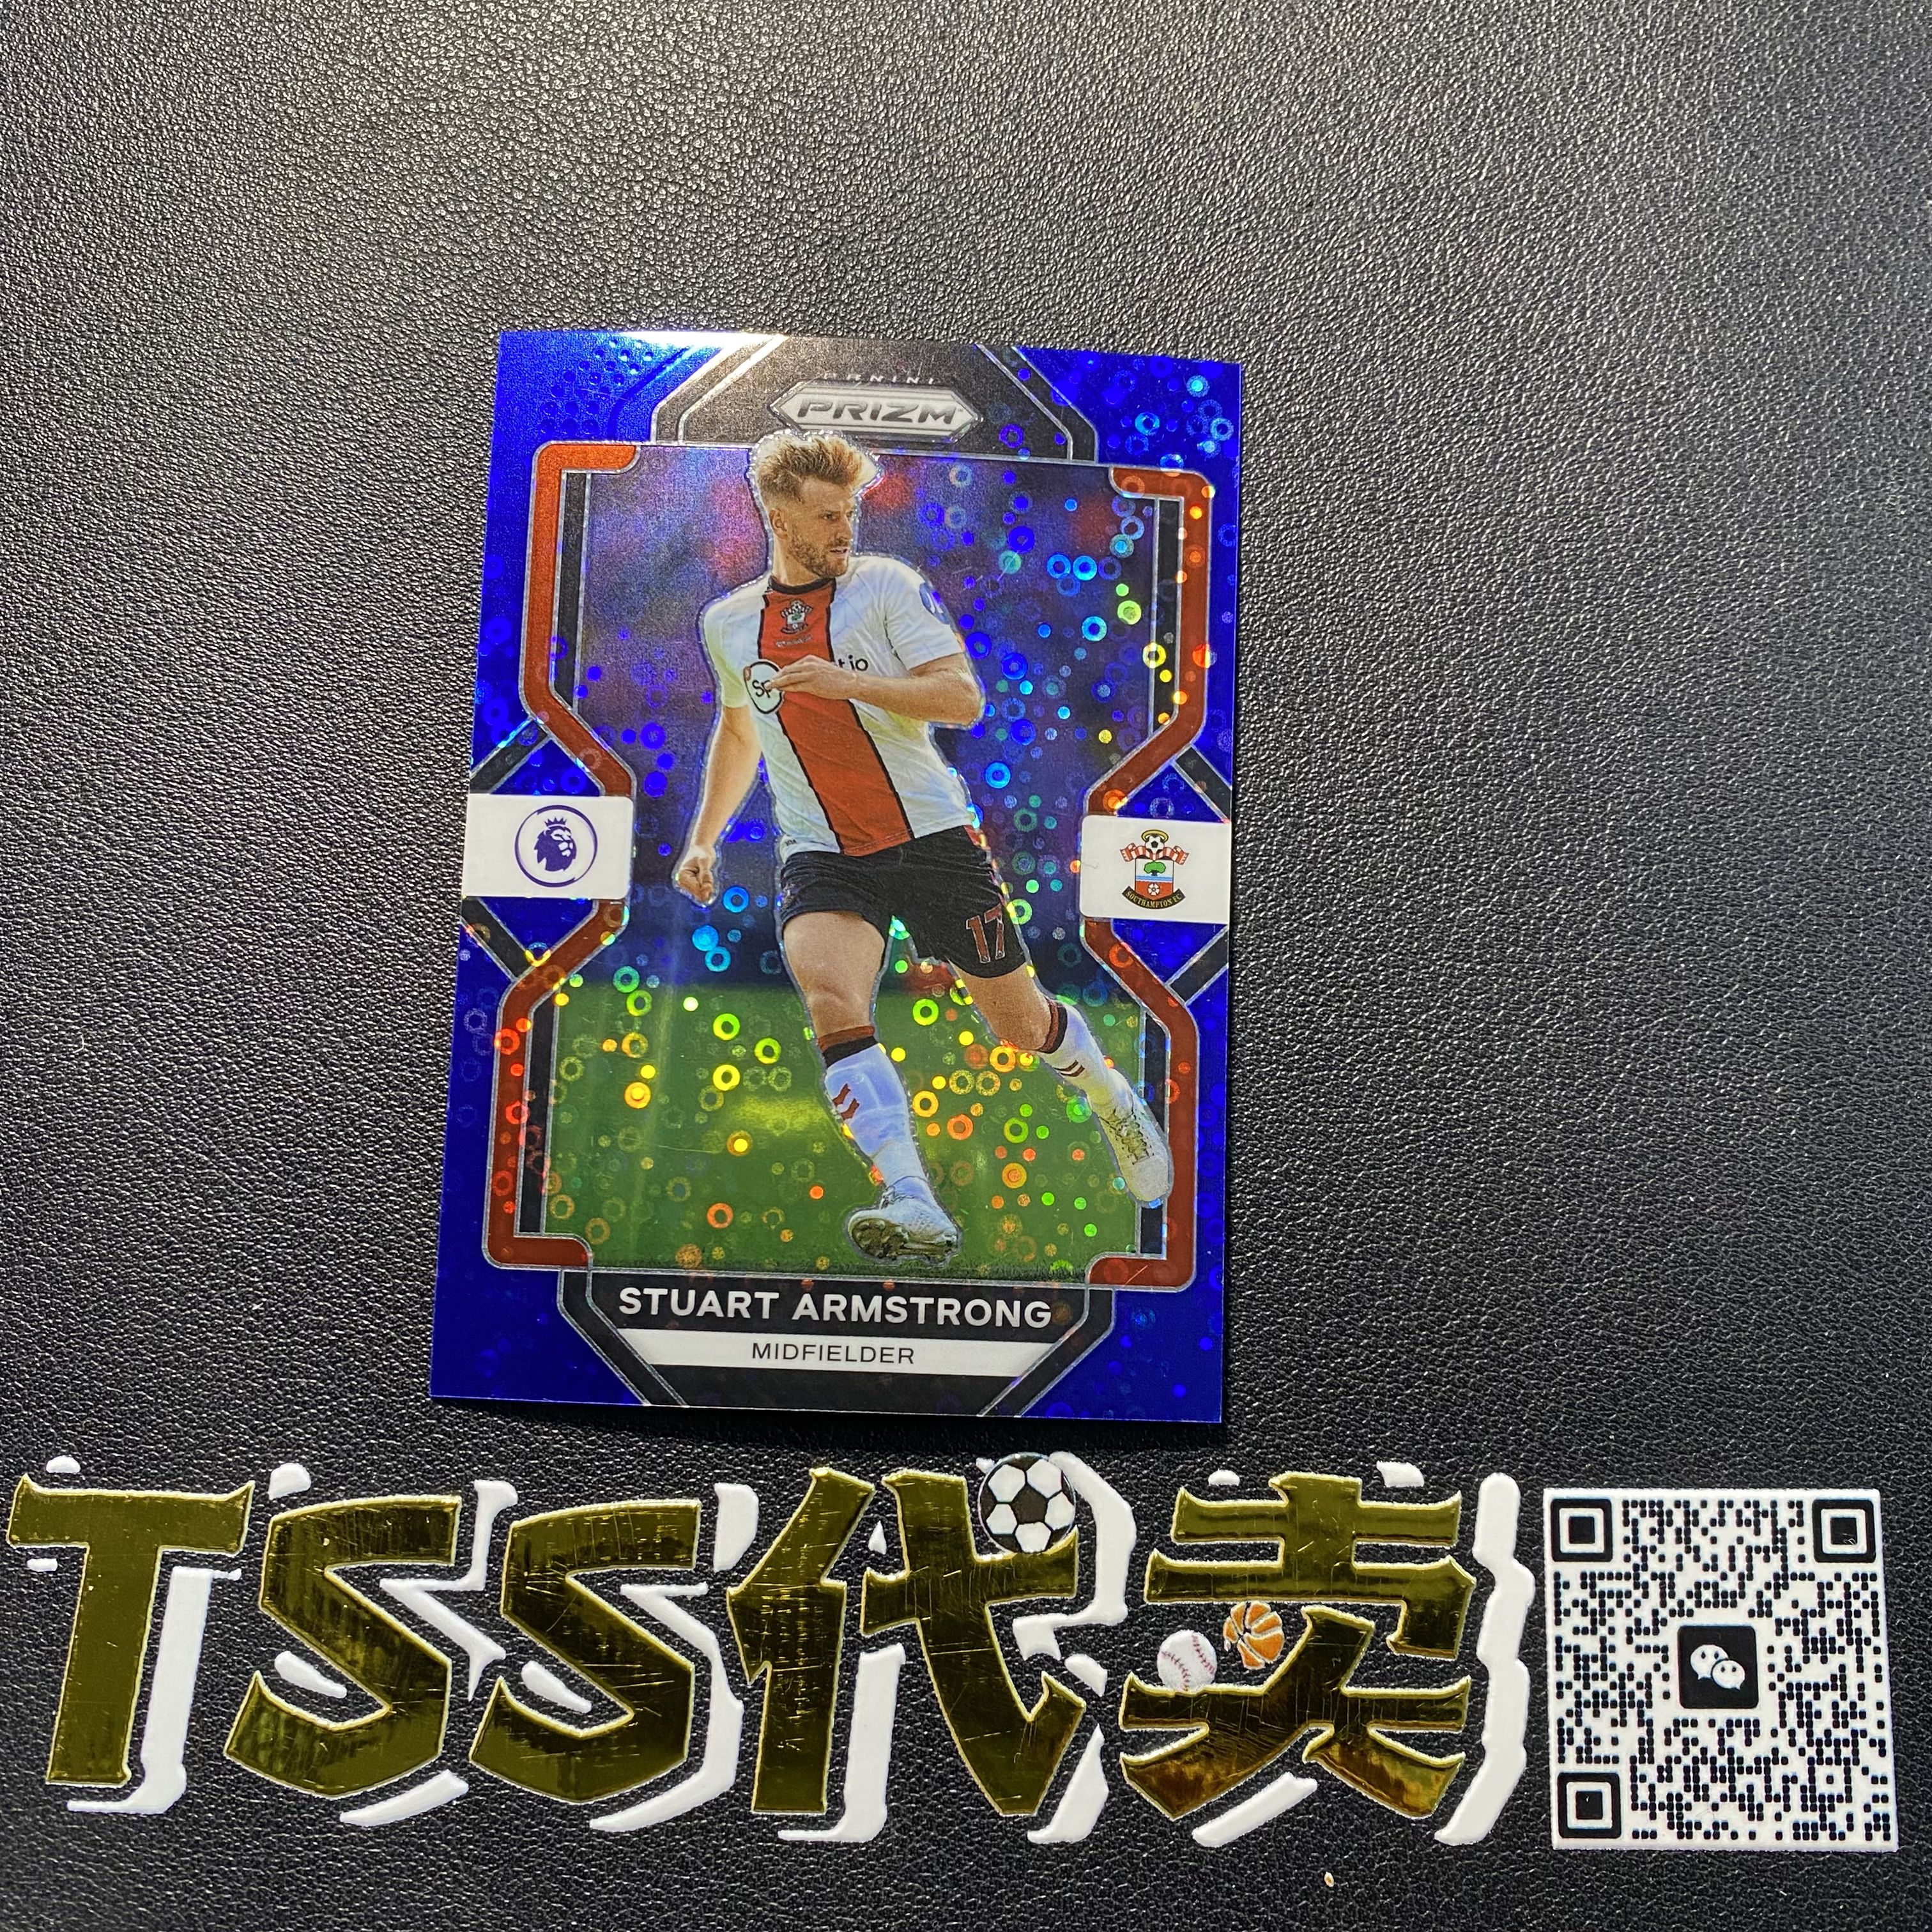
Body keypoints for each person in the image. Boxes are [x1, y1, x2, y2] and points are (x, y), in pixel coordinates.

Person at [673, 429, 1170, 1265]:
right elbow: (738, 730)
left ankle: (1109, 1093)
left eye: (850, 512)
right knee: (830, 996)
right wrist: (703, 838)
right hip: (822, 852)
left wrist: (847, 683)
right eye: (827, 516)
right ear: (778, 518)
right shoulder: (726, 622)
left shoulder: (887, 587)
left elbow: (962, 699)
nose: (845, 529)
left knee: (1019, 1026)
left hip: (933, 840)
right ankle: (912, 1197)